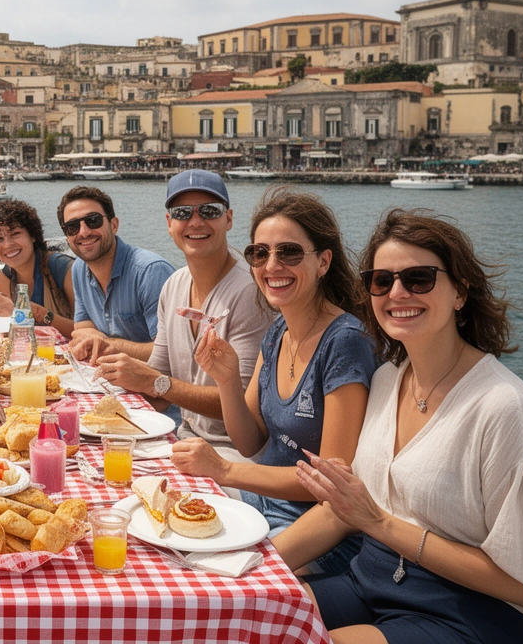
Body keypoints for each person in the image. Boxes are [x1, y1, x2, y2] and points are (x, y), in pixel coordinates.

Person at [274, 210, 523, 643]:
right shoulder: (389, 378)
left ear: (461, 292)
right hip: (369, 580)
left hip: (463, 613)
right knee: (243, 612)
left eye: (419, 278)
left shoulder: (505, 409)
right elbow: (343, 513)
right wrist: (247, 570)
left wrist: (380, 524)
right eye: (381, 280)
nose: (397, 292)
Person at [172, 188, 376, 576]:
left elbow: (330, 484)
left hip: (314, 533)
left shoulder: (345, 342)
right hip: (259, 505)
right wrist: (228, 381)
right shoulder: (278, 331)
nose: (272, 265)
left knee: (197, 587)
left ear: (324, 261)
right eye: (259, 253)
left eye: (290, 252)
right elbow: (249, 442)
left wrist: (223, 470)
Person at [94, 170, 275, 467]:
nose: (195, 222)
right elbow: (160, 392)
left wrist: (153, 381)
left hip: (234, 455)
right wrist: (109, 392)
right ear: (169, 224)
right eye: (182, 212)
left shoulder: (251, 293)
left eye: (209, 211)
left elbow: (240, 406)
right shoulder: (174, 285)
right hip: (184, 438)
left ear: (228, 219)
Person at [59, 185, 174, 363]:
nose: (83, 232)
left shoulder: (150, 271)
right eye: (72, 227)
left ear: (114, 225)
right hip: (111, 379)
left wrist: (105, 343)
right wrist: (94, 339)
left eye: (93, 220)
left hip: (154, 383)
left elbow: (170, 351)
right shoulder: (79, 268)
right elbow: (82, 325)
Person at [0, 199, 76, 339]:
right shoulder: (2, 278)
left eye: (15, 234)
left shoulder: (63, 269)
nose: (7, 244)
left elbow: (86, 331)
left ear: (33, 235)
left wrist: (39, 313)